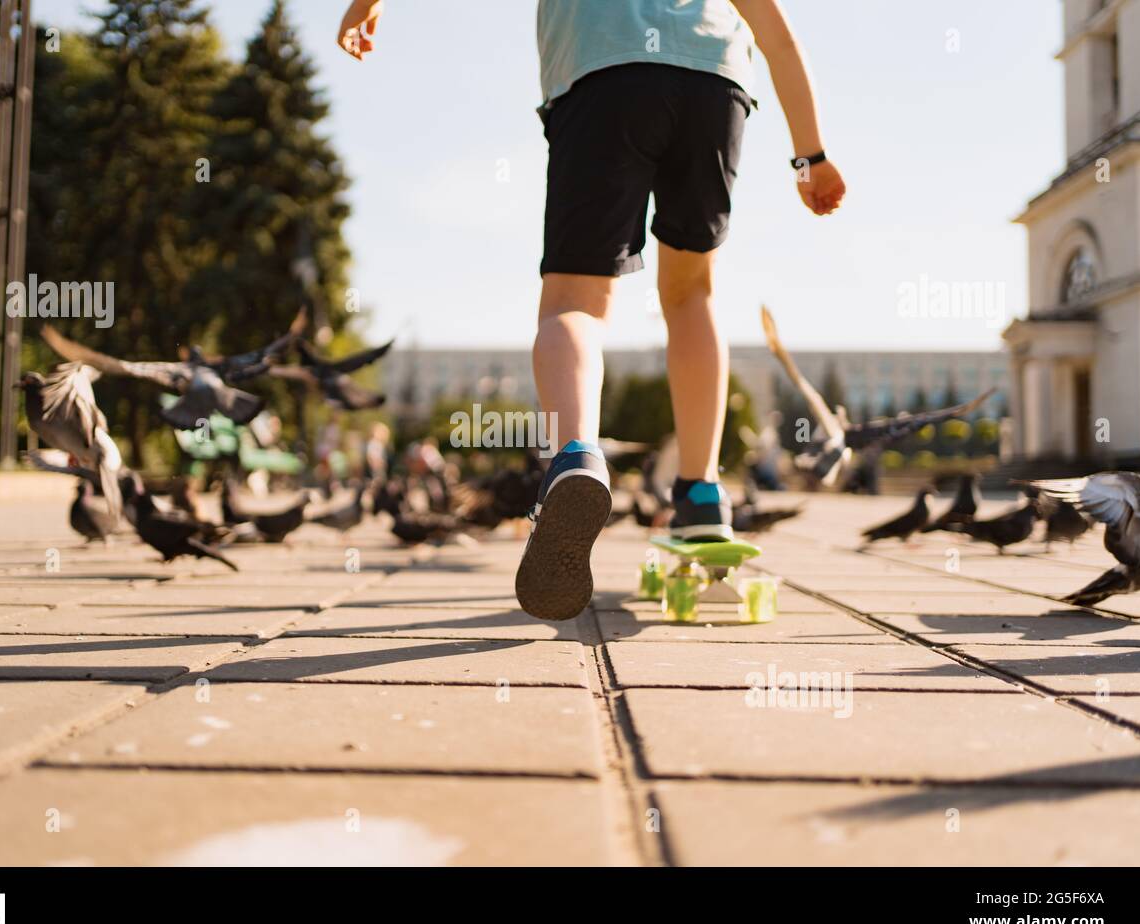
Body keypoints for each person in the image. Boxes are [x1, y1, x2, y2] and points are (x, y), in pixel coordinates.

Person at [337, 0, 846, 619]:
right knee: (692, 293)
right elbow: (776, 33)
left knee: (574, 301)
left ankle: (576, 458)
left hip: (606, 77)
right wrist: (810, 157)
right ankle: (701, 494)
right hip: (712, 87)